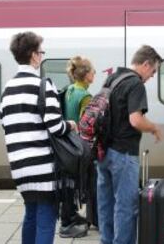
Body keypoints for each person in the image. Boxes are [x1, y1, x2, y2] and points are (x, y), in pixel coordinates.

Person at [0, 31, 77, 244]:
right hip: (42, 166)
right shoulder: (43, 85)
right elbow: (55, 127)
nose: (42, 55)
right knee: (46, 219)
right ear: (33, 55)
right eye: (41, 51)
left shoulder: (8, 89)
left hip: (19, 166)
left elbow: (6, 122)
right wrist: (69, 125)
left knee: (31, 215)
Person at [97, 45, 163, 244]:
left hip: (103, 152)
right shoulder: (135, 84)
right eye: (153, 71)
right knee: (126, 205)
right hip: (124, 154)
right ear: (145, 64)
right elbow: (135, 120)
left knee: (105, 204)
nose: (151, 76)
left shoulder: (112, 78)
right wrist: (153, 128)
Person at [59, 56, 96, 238]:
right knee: (77, 183)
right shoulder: (86, 96)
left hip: (65, 143)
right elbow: (86, 126)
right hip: (77, 145)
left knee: (68, 183)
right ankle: (68, 222)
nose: (95, 74)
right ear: (86, 74)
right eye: (93, 71)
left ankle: (70, 216)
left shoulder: (69, 90)